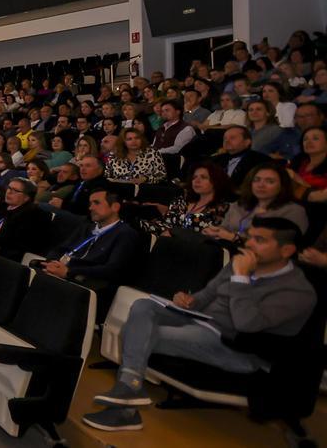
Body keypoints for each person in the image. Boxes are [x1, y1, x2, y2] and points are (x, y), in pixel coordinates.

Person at [82, 217, 316, 432]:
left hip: (237, 347)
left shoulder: (298, 290)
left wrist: (241, 278)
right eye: (250, 237)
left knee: (144, 334)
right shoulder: (239, 263)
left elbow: (247, 324)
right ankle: (129, 393)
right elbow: (205, 298)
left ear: (287, 250)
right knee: (144, 306)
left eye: (260, 240)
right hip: (202, 322)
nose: (250, 244)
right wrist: (187, 300)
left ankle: (126, 402)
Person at [208, 164, 308, 245]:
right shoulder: (239, 205)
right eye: (257, 180)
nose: (261, 185)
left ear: (282, 186)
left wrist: (234, 238)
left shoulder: (294, 210)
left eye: (270, 181)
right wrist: (214, 232)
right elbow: (223, 228)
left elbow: (279, 248)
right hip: (226, 252)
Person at [140, 163, 233, 237]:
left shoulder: (221, 209)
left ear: (216, 181)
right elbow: (164, 222)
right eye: (194, 177)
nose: (196, 181)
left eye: (203, 177)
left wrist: (173, 231)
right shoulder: (182, 201)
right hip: (155, 237)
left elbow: (204, 234)